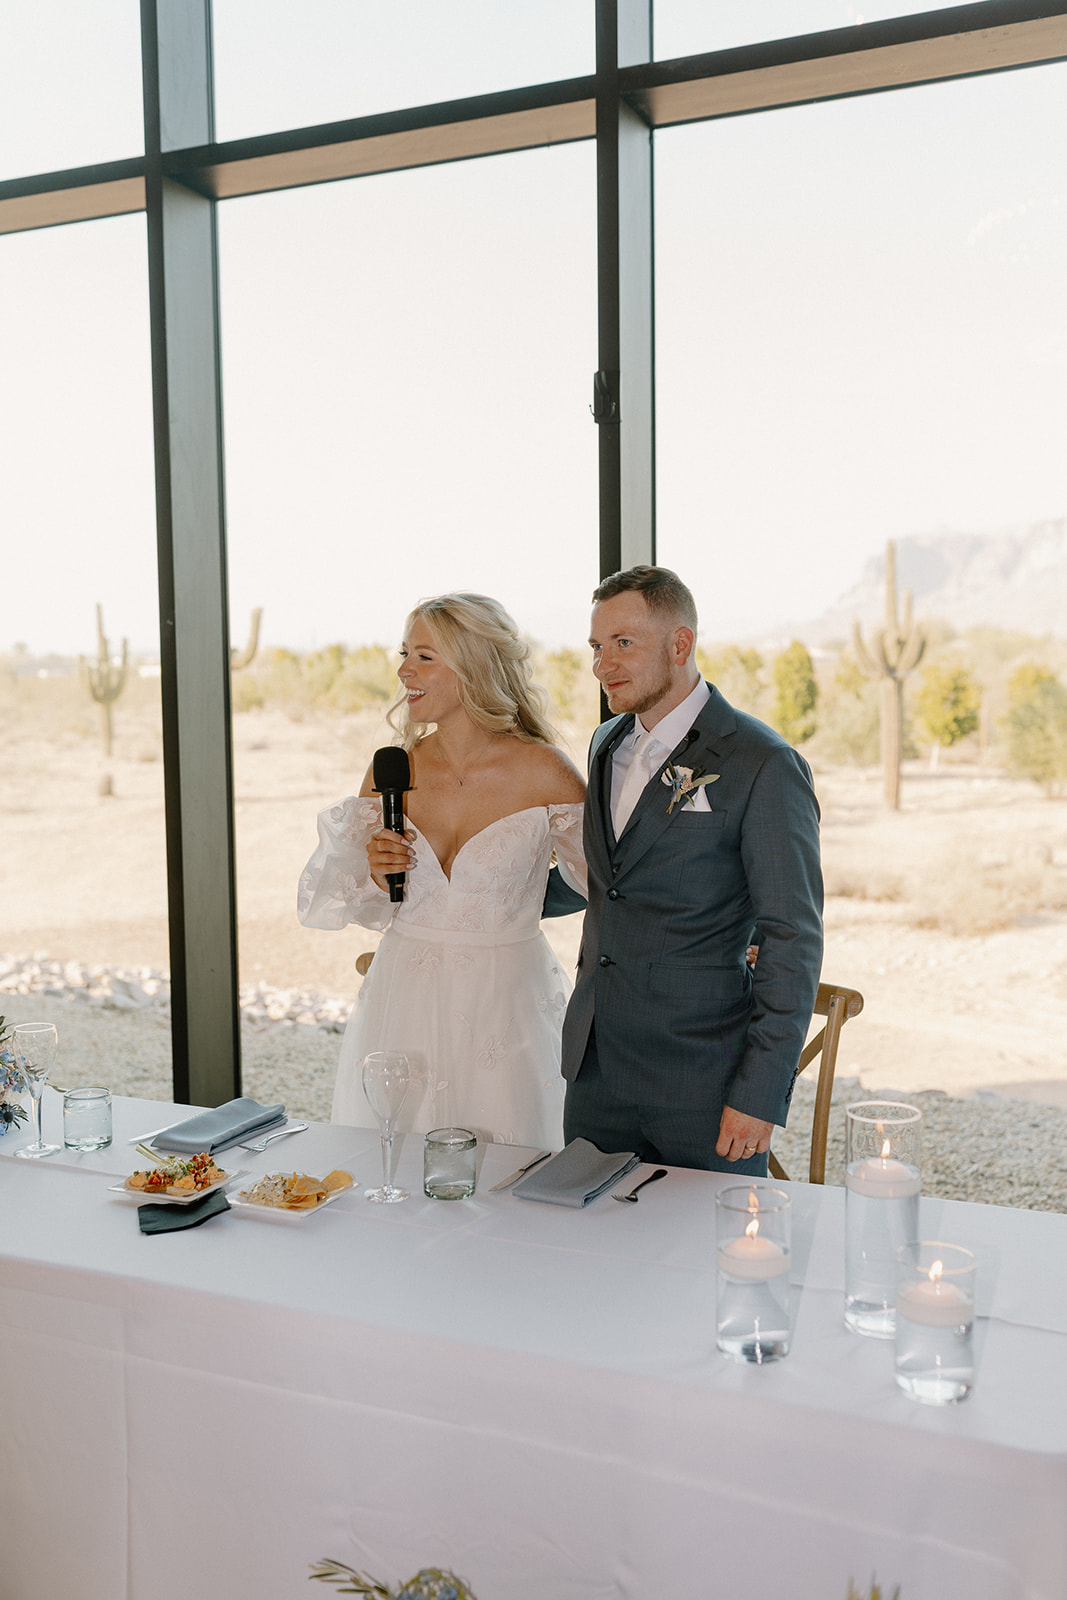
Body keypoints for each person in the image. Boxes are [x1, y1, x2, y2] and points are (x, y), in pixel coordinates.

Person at [298, 593, 587, 1148]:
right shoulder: (393, 771)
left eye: (424, 656)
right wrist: (378, 873)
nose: (404, 670)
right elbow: (352, 899)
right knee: (397, 1158)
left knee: (513, 1164)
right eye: (404, 653)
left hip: (508, 1004)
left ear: (474, 664)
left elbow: (603, 885)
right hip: (404, 995)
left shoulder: (546, 772)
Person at [561, 565, 823, 1174]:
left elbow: (793, 937)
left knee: (713, 1261)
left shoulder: (764, 763)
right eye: (597, 647)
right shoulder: (604, 744)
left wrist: (759, 1094)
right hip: (596, 1079)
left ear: (680, 645)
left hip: (703, 1085)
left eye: (624, 643)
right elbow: (611, 886)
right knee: (590, 1260)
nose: (604, 664)